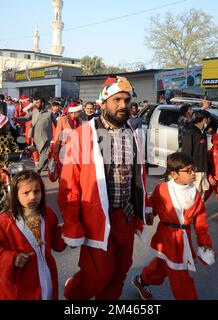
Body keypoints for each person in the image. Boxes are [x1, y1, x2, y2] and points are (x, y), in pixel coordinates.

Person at [58, 76, 153, 300]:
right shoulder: (84, 134)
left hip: (126, 216)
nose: (123, 105)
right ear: (103, 103)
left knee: (120, 271)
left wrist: (143, 205)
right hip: (98, 218)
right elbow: (69, 183)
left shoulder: (133, 132)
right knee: (99, 274)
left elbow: (139, 175)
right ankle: (74, 292)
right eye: (116, 99)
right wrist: (72, 222)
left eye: (126, 100)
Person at [132, 152, 213, 300]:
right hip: (167, 237)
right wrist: (143, 217)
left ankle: (142, 280)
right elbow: (151, 208)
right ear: (174, 174)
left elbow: (200, 220)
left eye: (193, 169)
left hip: (183, 240)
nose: (193, 173)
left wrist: (204, 242)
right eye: (188, 171)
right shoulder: (162, 189)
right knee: (180, 276)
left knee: (163, 265)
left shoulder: (194, 193)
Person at [0, 170, 66, 300]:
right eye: (26, 193)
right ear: (15, 195)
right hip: (20, 285)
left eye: (37, 191)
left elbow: (57, 243)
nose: (33, 197)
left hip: (46, 278)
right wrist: (12, 259)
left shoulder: (48, 215)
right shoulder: (4, 222)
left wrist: (69, 228)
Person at [48, 102, 82, 182]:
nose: (80, 113)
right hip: (64, 150)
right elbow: (57, 136)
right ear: (73, 112)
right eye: (79, 111)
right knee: (63, 172)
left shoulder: (80, 120)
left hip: (76, 151)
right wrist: (55, 152)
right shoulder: (63, 119)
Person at [181, 110, 212, 196]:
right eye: (209, 119)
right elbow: (186, 152)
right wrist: (188, 169)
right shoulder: (191, 132)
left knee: (201, 195)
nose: (209, 122)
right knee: (193, 195)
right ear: (204, 119)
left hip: (203, 169)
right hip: (195, 170)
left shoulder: (203, 133)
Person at [28, 97, 52, 172]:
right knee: (37, 152)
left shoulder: (49, 113)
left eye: (38, 102)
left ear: (42, 103)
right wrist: (16, 118)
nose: (36, 104)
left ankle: (38, 170)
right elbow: (26, 118)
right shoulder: (34, 111)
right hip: (35, 137)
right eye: (35, 102)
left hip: (45, 138)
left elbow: (57, 125)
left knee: (43, 154)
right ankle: (42, 166)